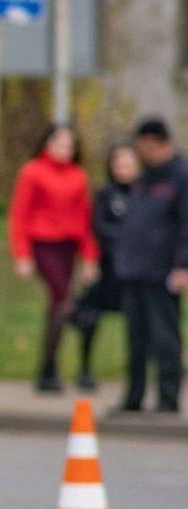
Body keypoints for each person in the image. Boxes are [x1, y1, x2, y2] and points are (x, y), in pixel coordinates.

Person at [10, 124, 101, 393]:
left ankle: (47, 370)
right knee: (63, 300)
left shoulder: (78, 176)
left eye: (69, 145)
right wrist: (22, 255)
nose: (65, 149)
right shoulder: (33, 172)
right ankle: (80, 321)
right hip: (43, 243)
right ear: (47, 144)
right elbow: (19, 214)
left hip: (67, 246)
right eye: (59, 143)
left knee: (57, 308)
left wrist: (89, 256)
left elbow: (84, 219)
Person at [115, 117, 188, 415]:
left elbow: (186, 225)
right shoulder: (144, 179)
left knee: (164, 337)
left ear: (154, 142)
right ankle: (133, 397)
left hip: (163, 272)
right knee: (135, 338)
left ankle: (168, 399)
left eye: (141, 146)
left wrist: (183, 265)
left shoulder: (181, 177)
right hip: (135, 269)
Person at [66, 144, 144, 393]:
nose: (123, 169)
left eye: (128, 164)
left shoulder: (146, 193)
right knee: (91, 316)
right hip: (108, 267)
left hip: (136, 270)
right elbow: (97, 226)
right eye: (118, 164)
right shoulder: (106, 194)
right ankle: (85, 368)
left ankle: (137, 375)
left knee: (138, 322)